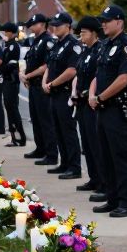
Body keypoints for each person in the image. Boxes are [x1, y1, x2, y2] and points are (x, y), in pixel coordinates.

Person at [88, 4, 127, 217]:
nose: (103, 24)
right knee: (105, 155)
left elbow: (124, 78)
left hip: (118, 110)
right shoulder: (105, 46)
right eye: (102, 20)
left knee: (120, 157)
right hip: (102, 108)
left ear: (119, 21)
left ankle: (126, 203)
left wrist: (100, 97)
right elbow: (98, 75)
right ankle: (113, 198)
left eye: (107, 20)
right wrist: (93, 95)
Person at [42, 12, 81, 179]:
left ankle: (74, 167)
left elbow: (72, 70)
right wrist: (45, 82)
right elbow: (49, 66)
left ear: (68, 26)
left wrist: (52, 84)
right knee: (58, 130)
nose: (55, 27)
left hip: (64, 93)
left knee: (68, 131)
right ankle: (64, 163)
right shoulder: (57, 45)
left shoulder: (73, 45)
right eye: (54, 25)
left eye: (59, 25)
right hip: (54, 93)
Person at [72, 16, 103, 192]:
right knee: (87, 144)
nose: (81, 36)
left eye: (84, 33)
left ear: (93, 33)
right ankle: (93, 178)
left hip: (93, 104)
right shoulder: (85, 51)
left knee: (96, 144)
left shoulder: (99, 50)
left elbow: (98, 77)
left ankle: (102, 182)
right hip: (82, 103)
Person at [22, 13, 58, 165]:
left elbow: (46, 66)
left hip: (41, 86)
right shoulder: (35, 41)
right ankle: (40, 148)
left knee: (45, 121)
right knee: (35, 119)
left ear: (43, 24)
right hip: (33, 85)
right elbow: (28, 61)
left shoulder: (47, 41)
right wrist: (23, 74)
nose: (31, 27)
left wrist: (28, 75)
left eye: (34, 24)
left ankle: (51, 154)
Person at [0, 22, 26, 147]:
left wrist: (1, 69)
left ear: (12, 33)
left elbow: (10, 64)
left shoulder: (13, 46)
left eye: (7, 31)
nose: (5, 33)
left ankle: (20, 137)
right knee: (9, 108)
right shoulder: (7, 45)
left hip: (11, 80)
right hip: (6, 80)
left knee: (12, 108)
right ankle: (14, 137)